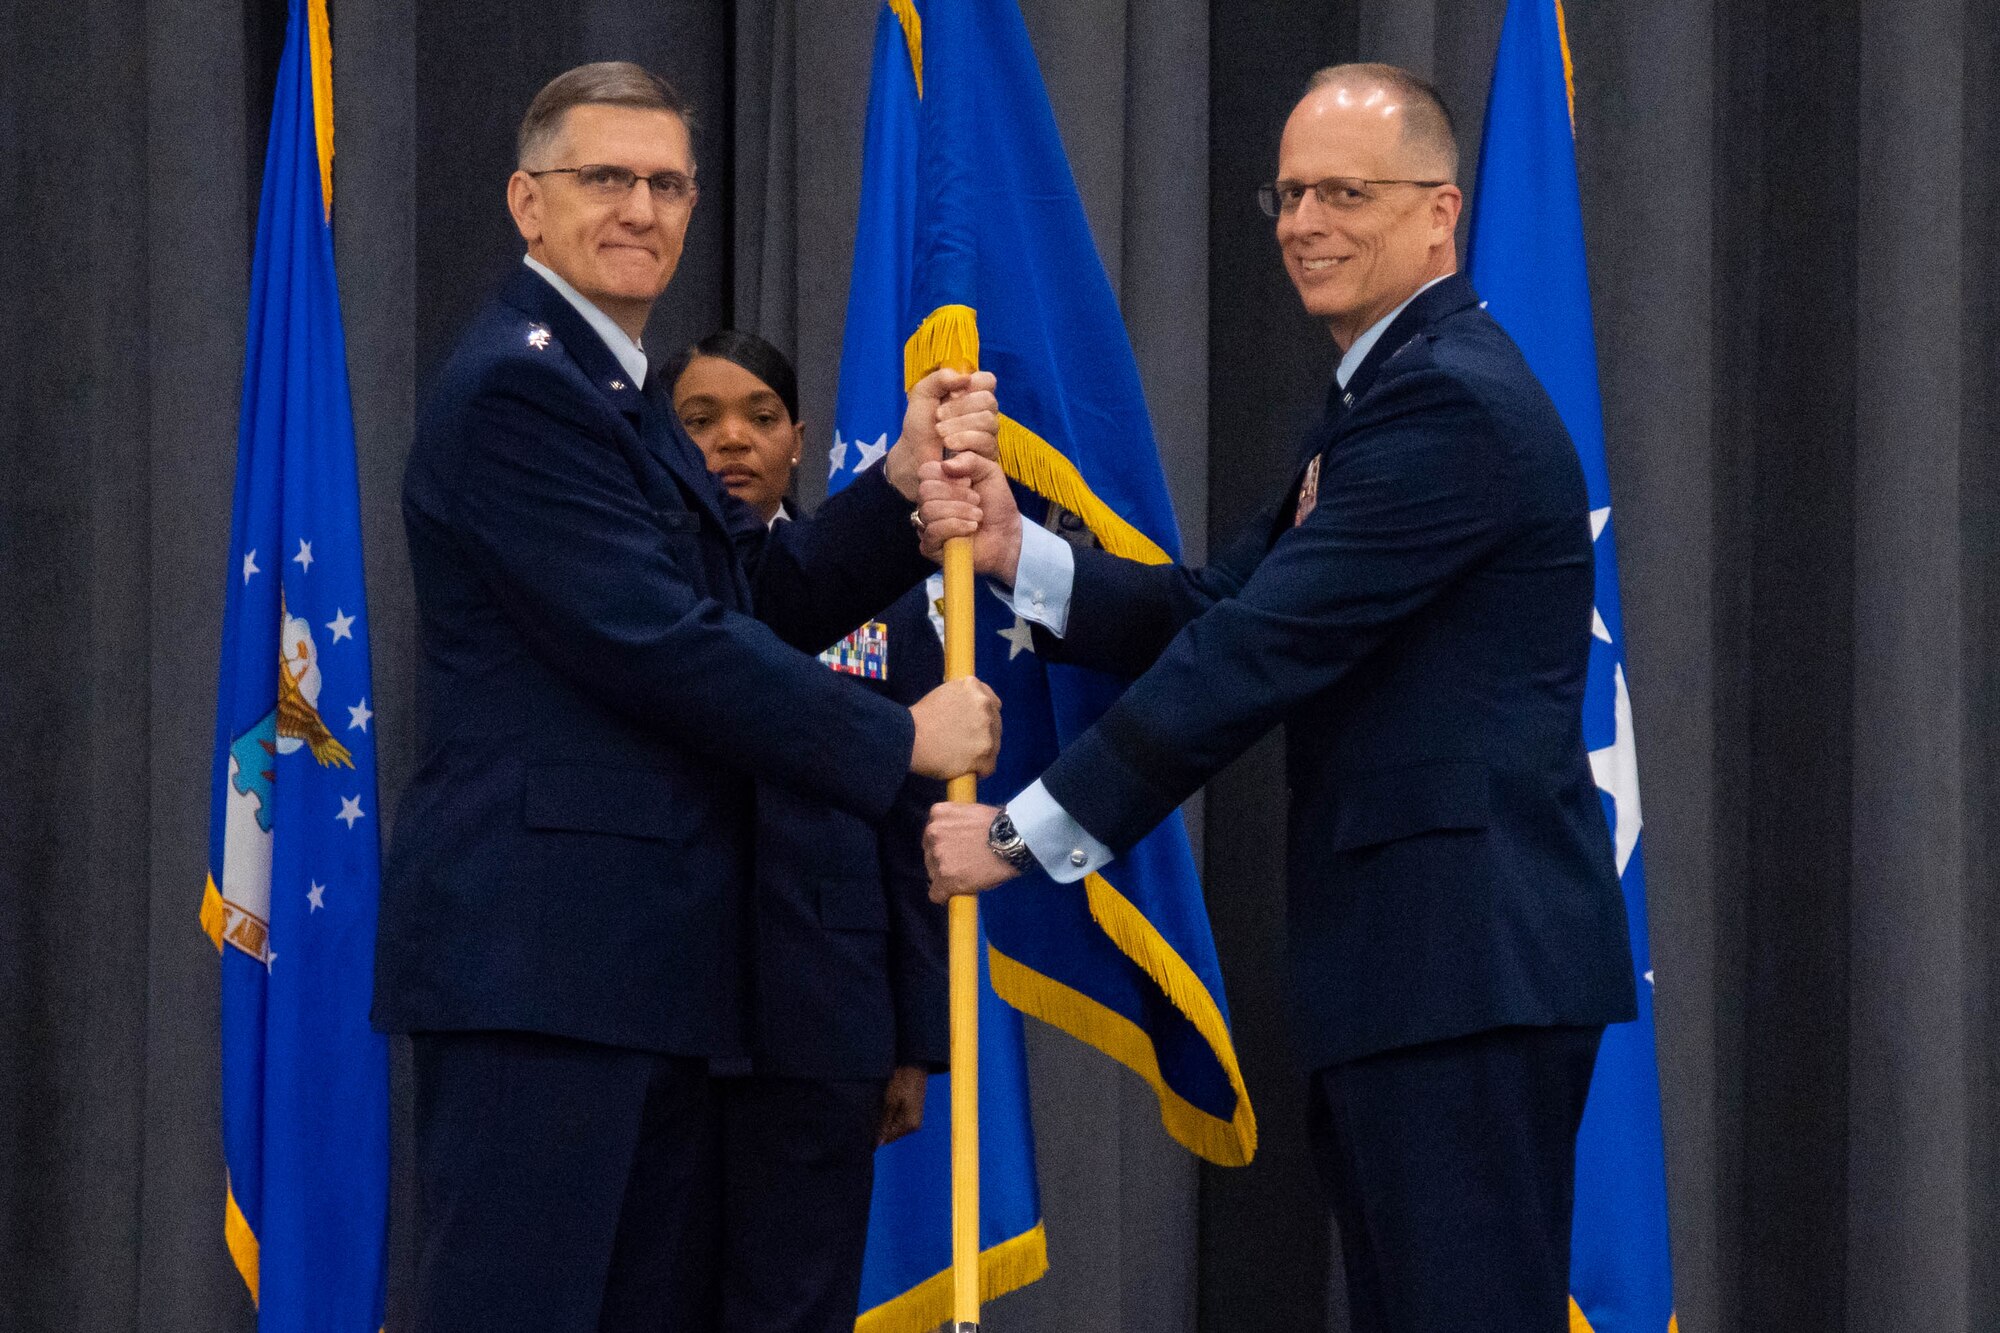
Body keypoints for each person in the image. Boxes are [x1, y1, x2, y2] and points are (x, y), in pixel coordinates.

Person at [919, 63, 1637, 1332]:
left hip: (1465, 968)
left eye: (1344, 192)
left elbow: (1252, 652)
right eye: (1290, 192)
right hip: (1417, 969)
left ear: (1439, 211)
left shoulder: (1446, 405)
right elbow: (1215, 608)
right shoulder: (1381, 392)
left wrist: (1024, 836)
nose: (1303, 222)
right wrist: (1010, 553)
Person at [372, 63, 1001, 1333]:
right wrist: (897, 740)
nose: (640, 208)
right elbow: (661, 641)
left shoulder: (622, 397)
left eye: (666, 184)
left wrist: (890, 486)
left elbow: (750, 594)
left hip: (636, 971)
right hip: (543, 966)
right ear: (524, 203)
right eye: (603, 177)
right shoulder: (520, 388)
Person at [670, 331, 947, 1333]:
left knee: (798, 1305)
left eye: (757, 416)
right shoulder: (644, 589)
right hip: (674, 1008)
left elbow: (910, 822)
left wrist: (914, 1038)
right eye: (697, 421)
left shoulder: (869, 595)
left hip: (826, 1011)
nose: (730, 440)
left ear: (798, 441)